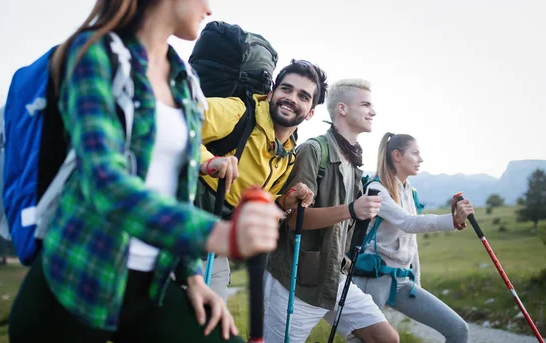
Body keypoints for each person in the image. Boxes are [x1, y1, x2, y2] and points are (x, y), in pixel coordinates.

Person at [8, 1, 284, 342]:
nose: (209, 9)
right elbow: (104, 182)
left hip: (151, 286)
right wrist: (219, 235)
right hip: (76, 282)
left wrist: (193, 277)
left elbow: (177, 189)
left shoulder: (182, 79)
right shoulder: (96, 54)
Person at [264, 79, 401, 343]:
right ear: (342, 109)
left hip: (334, 277)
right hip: (296, 281)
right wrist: (351, 209)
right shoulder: (313, 151)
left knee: (385, 338)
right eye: (365, 104)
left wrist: (357, 214)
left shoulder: (354, 164)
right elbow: (294, 220)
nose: (373, 112)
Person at [196, 59, 326, 302]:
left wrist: (285, 202)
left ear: (310, 113)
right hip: (178, 232)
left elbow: (261, 203)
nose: (291, 98)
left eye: (303, 96)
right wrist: (208, 162)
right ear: (271, 93)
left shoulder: (286, 155)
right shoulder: (238, 112)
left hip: (213, 251)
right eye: (286, 89)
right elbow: (178, 122)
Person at [352, 132, 474, 343]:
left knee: (458, 329)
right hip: (372, 279)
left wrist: (416, 281)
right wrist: (452, 220)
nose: (421, 159)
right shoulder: (376, 189)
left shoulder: (410, 191)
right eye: (415, 153)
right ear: (397, 156)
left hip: (401, 281)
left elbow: (411, 243)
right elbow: (408, 223)